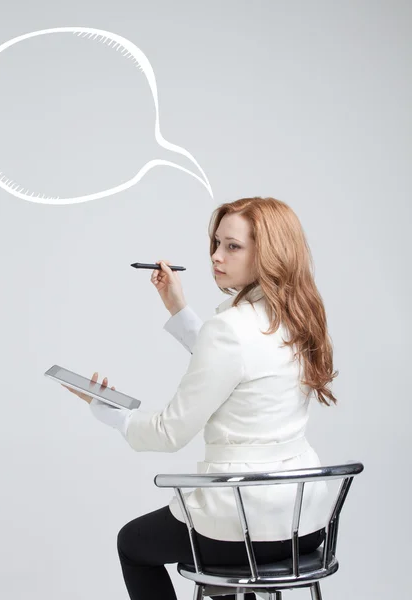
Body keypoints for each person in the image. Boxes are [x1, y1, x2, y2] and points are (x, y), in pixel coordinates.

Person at [63, 197, 338, 600]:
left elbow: (170, 432)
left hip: (244, 526)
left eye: (232, 246)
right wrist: (177, 306)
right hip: (304, 525)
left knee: (132, 544)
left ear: (270, 252)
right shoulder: (297, 318)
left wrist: (113, 415)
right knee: (213, 543)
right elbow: (238, 368)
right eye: (215, 243)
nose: (215, 256)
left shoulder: (229, 330)